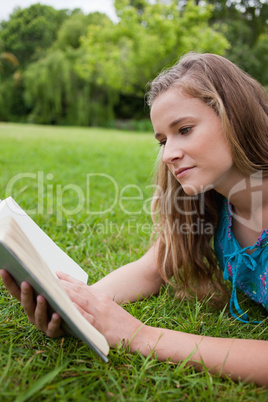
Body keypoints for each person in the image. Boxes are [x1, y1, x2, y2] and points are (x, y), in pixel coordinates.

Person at [1, 52, 268, 386]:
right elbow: (152, 268)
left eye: (184, 129)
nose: (169, 153)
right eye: (163, 140)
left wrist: (140, 335)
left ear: (235, 116)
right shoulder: (211, 204)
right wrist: (78, 306)